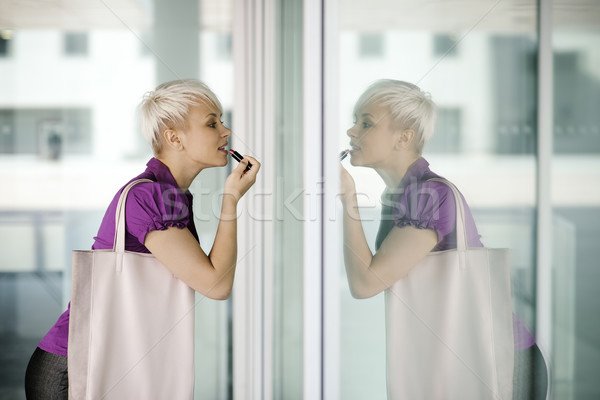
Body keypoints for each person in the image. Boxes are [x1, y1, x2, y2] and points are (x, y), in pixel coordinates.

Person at [24, 79, 260, 399]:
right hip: (77, 368)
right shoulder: (151, 196)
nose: (226, 131)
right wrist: (231, 199)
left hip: (109, 361)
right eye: (212, 123)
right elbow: (216, 285)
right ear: (174, 138)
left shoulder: (170, 194)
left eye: (221, 121)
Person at [339, 79, 547, 399]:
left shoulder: (429, 195)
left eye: (365, 123)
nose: (352, 132)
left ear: (404, 138)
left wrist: (348, 198)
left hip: (499, 361)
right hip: (462, 352)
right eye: (355, 122)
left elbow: (366, 283)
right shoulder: (402, 193)